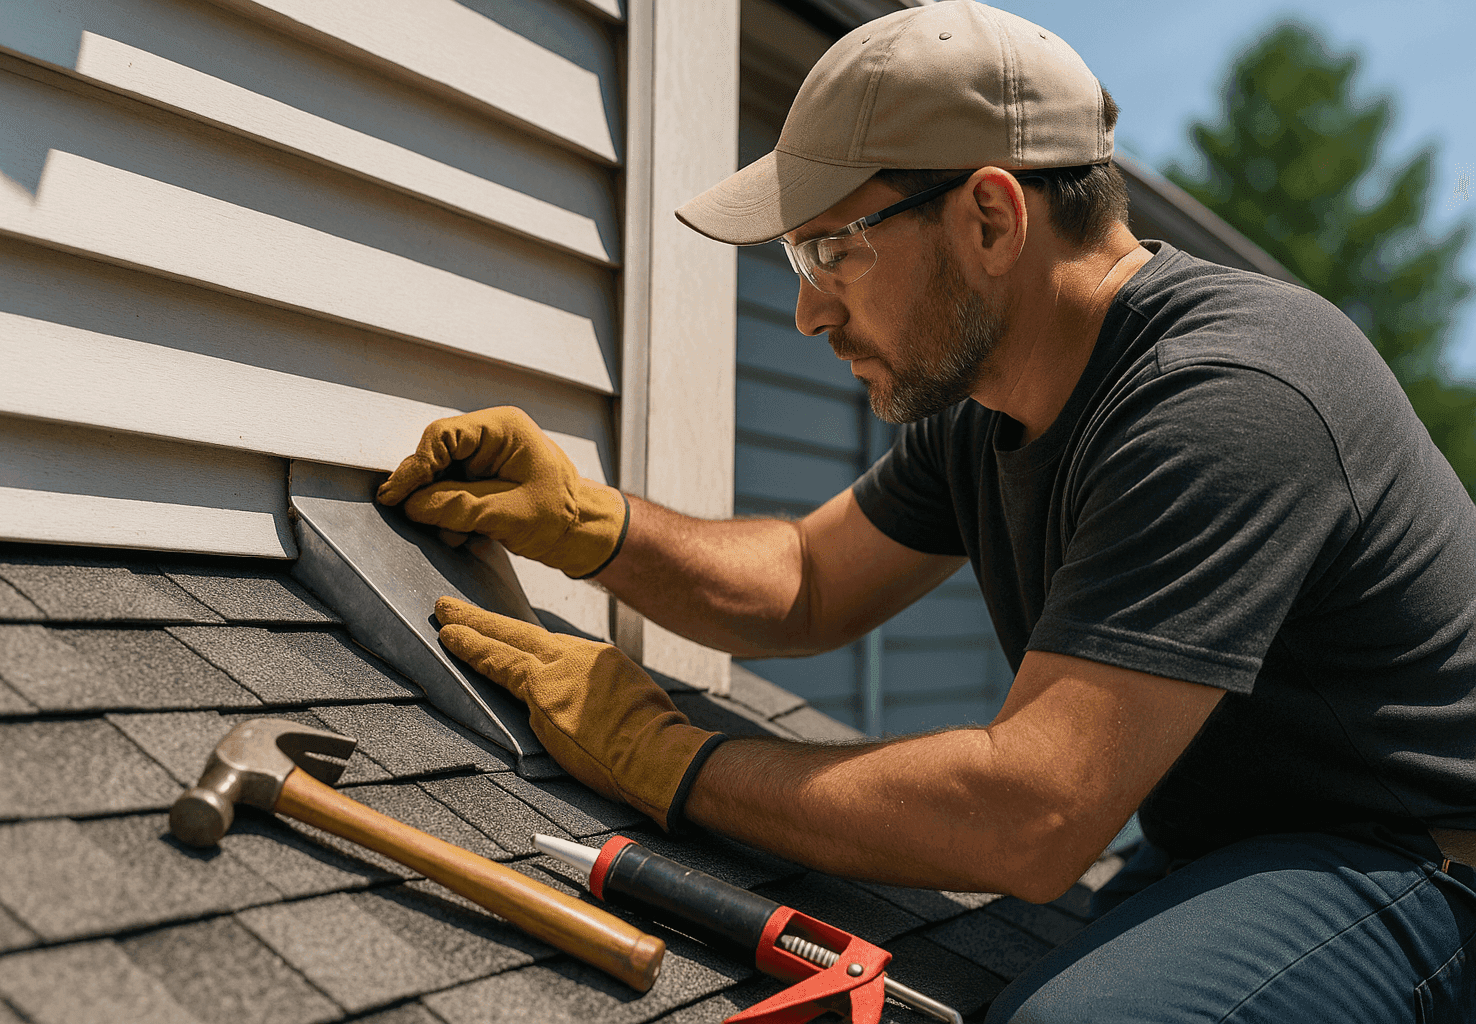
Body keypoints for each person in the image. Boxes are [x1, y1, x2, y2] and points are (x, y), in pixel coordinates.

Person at [377, 3, 1476, 1019]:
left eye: (828, 249)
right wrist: (586, 520)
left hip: (1420, 862)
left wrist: (670, 761)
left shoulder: (1231, 398)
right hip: (1233, 843)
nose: (807, 309)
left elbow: (1030, 814)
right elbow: (807, 578)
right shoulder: (990, 405)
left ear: (991, 218)